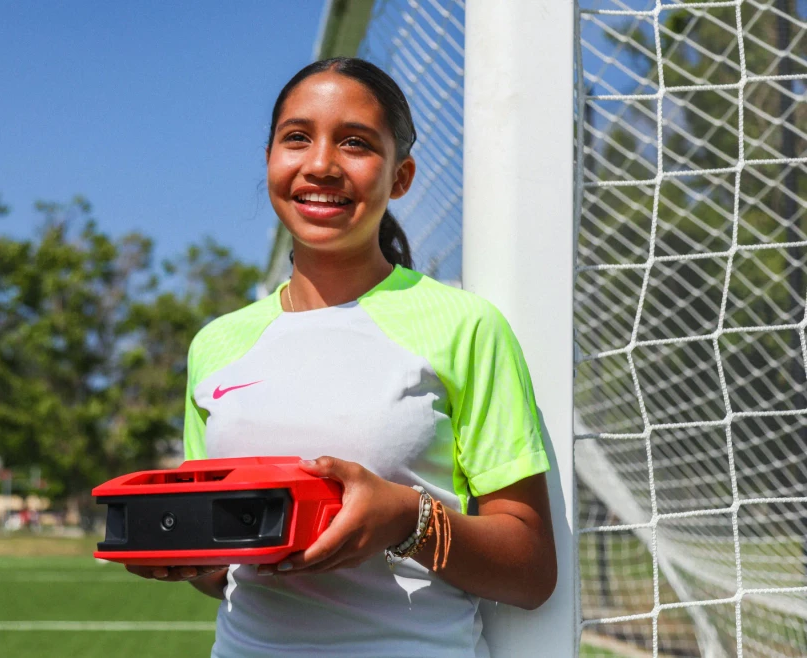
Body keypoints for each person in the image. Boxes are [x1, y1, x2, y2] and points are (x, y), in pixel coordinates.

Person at [127, 57, 556, 657]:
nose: (321, 164)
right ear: (270, 159)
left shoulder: (465, 326)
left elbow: (531, 571)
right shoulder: (216, 343)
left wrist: (406, 519)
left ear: (400, 177)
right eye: (297, 138)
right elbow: (223, 569)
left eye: (355, 143)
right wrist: (182, 553)